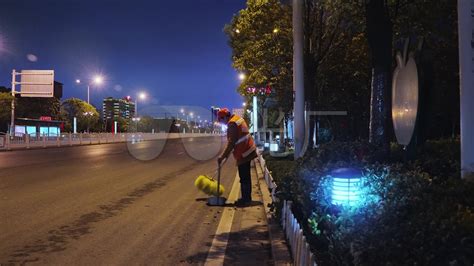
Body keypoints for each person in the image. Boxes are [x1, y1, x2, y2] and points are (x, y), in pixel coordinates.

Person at [217, 108, 257, 206]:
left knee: (244, 177)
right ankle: (246, 198)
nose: (222, 122)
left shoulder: (232, 124)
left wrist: (222, 156)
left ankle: (246, 200)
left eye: (221, 120)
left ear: (224, 117)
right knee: (245, 176)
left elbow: (231, 142)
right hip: (248, 148)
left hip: (244, 152)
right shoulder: (237, 119)